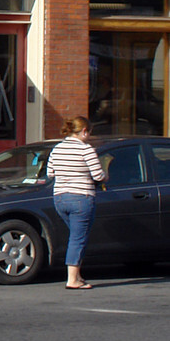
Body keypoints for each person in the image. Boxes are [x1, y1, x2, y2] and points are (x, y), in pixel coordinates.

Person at [46, 117, 106, 289]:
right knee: (78, 239)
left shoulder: (57, 149)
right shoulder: (86, 150)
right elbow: (98, 176)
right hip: (81, 197)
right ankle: (72, 280)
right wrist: (105, 174)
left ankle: (78, 276)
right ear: (85, 131)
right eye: (89, 133)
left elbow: (50, 173)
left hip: (60, 198)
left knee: (75, 236)